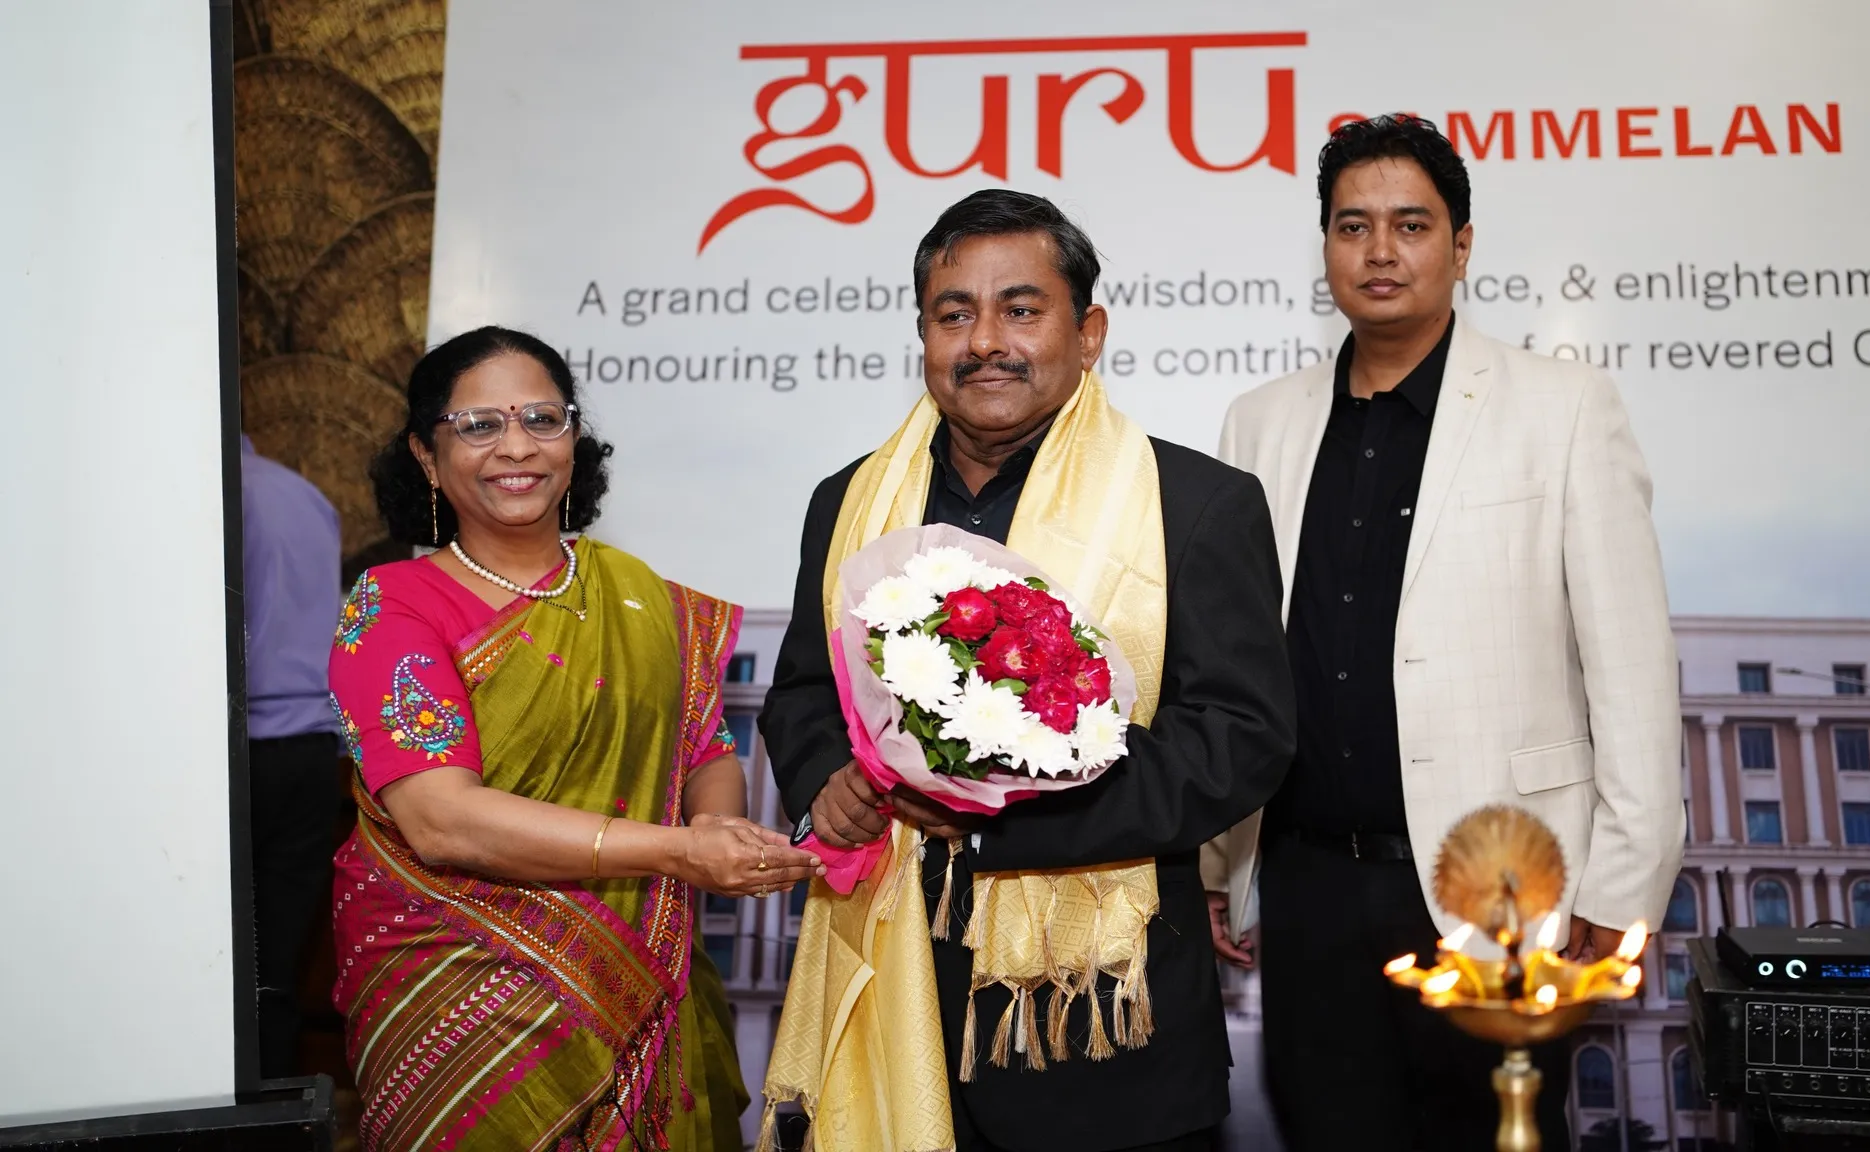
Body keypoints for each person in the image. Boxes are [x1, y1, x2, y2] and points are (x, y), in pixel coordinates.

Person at [758, 190, 1295, 1152]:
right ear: (923, 335)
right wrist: (826, 783)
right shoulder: (848, 502)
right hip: (882, 981)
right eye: (953, 314)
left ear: (1088, 333)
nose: (984, 342)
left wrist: (994, 812)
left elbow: (1239, 739)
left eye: (1020, 309)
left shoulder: (1195, 503)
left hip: (1095, 1033)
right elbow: (803, 690)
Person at [1207, 116, 1685, 1150]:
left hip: (1503, 879)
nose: (1379, 251)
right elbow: (1237, 664)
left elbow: (1633, 669)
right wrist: (1218, 862)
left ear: (1460, 246)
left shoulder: (1562, 407)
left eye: (1410, 225)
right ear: (1326, 246)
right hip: (1309, 883)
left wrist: (1621, 886)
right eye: (1352, 226)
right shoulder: (1259, 422)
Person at [328, 326, 821, 1151]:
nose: (517, 446)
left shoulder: (639, 596)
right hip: (459, 999)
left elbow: (704, 749)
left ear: (574, 437)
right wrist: (678, 852)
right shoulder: (394, 605)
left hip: (638, 974)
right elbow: (440, 820)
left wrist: (715, 826)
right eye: (479, 425)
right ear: (426, 455)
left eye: (542, 419)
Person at [241, 434, 344, 1079]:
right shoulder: (304, 494)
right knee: (274, 968)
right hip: (312, 751)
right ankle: (273, 1114)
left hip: (236, 750)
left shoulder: (211, 496)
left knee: (211, 963)